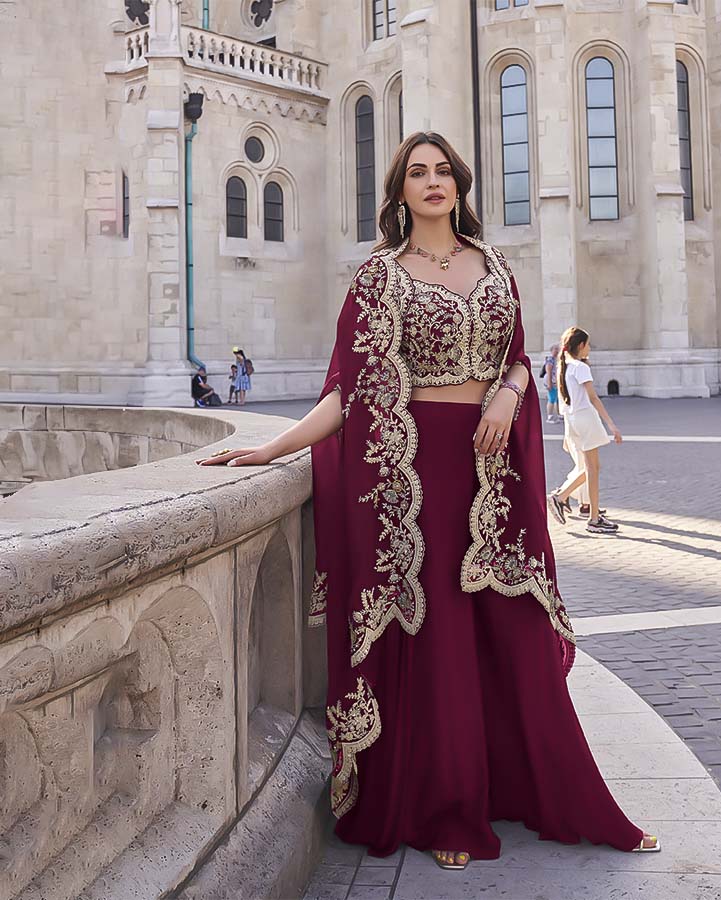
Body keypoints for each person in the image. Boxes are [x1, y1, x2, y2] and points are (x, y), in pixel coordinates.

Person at [197, 132, 658, 867]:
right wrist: (272, 450)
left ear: (459, 184)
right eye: (418, 173)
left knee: (510, 631)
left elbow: (514, 360)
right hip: (414, 476)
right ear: (400, 190)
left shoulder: (496, 266)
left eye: (443, 171)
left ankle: (550, 793)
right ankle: (448, 810)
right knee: (439, 637)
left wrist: (509, 397)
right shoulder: (379, 277)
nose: (433, 182)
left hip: (491, 468)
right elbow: (349, 393)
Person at [548, 327, 621, 535]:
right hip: (586, 418)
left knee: (591, 468)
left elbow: (564, 402)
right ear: (580, 346)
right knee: (593, 469)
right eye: (588, 344)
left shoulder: (565, 366)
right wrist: (612, 425)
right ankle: (590, 516)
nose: (589, 348)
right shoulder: (580, 367)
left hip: (573, 420)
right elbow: (593, 398)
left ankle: (575, 504)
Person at [543, 343, 561, 423]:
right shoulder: (550, 359)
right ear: (551, 350)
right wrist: (549, 383)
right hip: (551, 382)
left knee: (557, 399)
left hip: (556, 382)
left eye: (558, 349)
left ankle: (559, 414)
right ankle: (549, 417)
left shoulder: (557, 359)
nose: (557, 351)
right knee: (552, 399)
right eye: (555, 349)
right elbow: (549, 372)